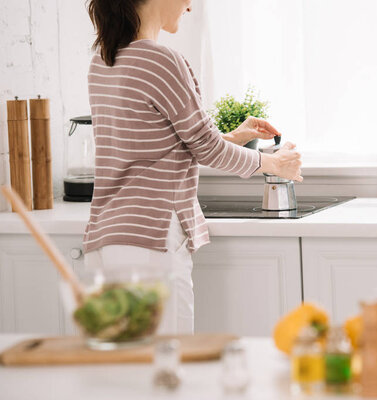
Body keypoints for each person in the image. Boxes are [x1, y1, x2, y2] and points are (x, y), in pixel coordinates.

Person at [83, 0, 302, 334]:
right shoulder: (162, 60)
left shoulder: (102, 62)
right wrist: (274, 163)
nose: (189, 6)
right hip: (153, 241)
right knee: (170, 365)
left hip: (106, 241)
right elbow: (207, 148)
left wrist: (233, 136)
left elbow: (162, 143)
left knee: (126, 372)